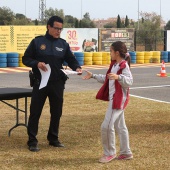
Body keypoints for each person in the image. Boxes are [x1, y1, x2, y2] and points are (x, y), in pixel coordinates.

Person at [22, 16, 82, 152]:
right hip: (40, 83)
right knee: (35, 112)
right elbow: (26, 58)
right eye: (56, 28)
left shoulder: (63, 44)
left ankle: (53, 138)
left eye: (60, 29)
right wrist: (36, 63)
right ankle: (32, 141)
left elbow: (71, 60)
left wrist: (77, 68)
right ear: (48, 26)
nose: (58, 31)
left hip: (57, 83)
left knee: (56, 112)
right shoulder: (37, 42)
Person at [82, 41, 133, 163]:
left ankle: (110, 153)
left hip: (118, 100)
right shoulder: (115, 65)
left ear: (116, 52)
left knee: (106, 126)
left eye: (110, 51)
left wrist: (119, 77)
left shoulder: (123, 66)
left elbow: (130, 81)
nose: (109, 53)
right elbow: (107, 79)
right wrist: (93, 76)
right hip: (115, 99)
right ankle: (126, 152)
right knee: (120, 126)